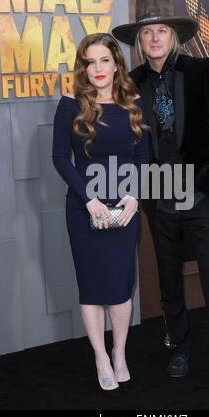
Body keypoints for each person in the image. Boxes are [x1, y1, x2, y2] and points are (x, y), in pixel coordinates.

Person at [112, 0, 209, 396]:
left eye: (162, 30)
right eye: (148, 32)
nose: (155, 38)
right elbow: (128, 141)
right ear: (140, 40)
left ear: (173, 35)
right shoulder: (133, 82)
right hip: (159, 196)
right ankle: (179, 347)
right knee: (169, 281)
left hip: (199, 192)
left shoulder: (199, 70)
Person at [52, 33, 149, 392]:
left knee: (121, 289)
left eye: (104, 60)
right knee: (92, 289)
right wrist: (90, 200)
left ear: (115, 63)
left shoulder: (134, 102)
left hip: (124, 207)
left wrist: (134, 198)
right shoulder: (70, 103)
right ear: (83, 66)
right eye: (89, 62)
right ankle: (100, 356)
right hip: (83, 208)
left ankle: (119, 352)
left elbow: (142, 157)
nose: (97, 69)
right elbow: (60, 158)